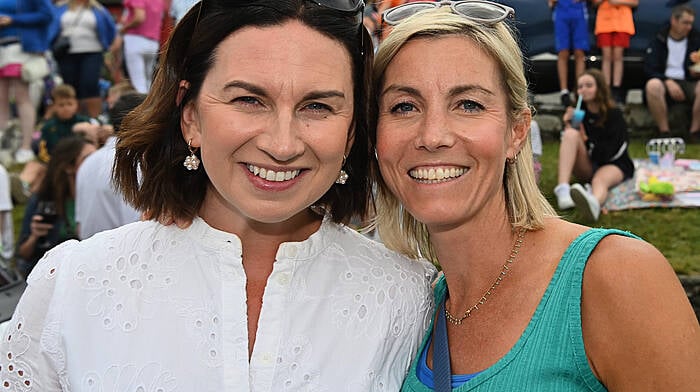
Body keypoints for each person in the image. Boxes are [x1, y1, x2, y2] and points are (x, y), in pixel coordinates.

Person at [0, 1, 436, 388]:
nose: (282, 144)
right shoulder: (75, 284)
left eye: (317, 106)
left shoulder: (407, 298)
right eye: (249, 99)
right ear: (189, 115)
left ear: (352, 132)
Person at [372, 2, 700, 390]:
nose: (432, 136)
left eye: (469, 104)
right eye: (404, 106)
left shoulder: (614, 278)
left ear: (517, 131)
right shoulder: (416, 309)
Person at [553, 68, 634, 221]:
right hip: (589, 164)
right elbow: (571, 145)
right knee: (570, 134)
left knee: (599, 180)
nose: (583, 89)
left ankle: (594, 204)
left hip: (613, 162)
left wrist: (585, 139)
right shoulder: (579, 113)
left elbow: (613, 150)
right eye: (580, 86)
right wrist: (569, 126)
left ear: (600, 88)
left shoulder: (614, 114)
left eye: (589, 85)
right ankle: (562, 189)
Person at [15, 135, 95, 278]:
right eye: (87, 158)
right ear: (68, 167)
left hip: (87, 275)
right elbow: (23, 254)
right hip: (51, 276)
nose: (94, 162)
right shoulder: (45, 199)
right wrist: (34, 237)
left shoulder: (98, 198)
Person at [75, 92, 144, 239]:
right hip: (120, 254)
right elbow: (137, 227)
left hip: (89, 252)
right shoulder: (134, 162)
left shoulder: (89, 162)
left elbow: (80, 224)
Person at [0, 0, 54, 164]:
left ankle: (25, 147)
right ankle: (4, 146)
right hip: (1, 48)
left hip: (21, 48)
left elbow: (47, 15)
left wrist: (13, 19)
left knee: (22, 96)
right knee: (1, 98)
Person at [48, 0, 117, 118]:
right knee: (71, 87)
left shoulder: (98, 9)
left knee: (90, 85)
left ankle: (95, 119)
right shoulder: (60, 7)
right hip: (66, 53)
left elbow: (111, 29)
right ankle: (76, 119)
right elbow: (51, 28)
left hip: (93, 51)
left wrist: (109, 47)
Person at [644, 2, 700, 143]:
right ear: (674, 20)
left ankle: (694, 132)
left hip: (688, 81)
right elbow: (650, 68)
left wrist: (696, 71)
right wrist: (667, 81)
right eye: (685, 22)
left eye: (691, 23)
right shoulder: (659, 40)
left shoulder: (695, 40)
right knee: (652, 85)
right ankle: (664, 132)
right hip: (664, 80)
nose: (689, 27)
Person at [592, 0, 638, 104]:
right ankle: (606, 89)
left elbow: (635, 3)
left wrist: (617, 2)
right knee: (606, 56)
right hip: (604, 22)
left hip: (622, 22)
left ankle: (616, 89)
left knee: (618, 56)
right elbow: (594, 3)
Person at [116, 0, 167, 93]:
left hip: (135, 39)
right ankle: (148, 105)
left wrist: (123, 29)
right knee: (148, 81)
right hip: (153, 42)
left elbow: (139, 17)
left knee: (138, 82)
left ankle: (141, 105)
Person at [548, 0, 590, 107]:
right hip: (562, 11)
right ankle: (564, 92)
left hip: (578, 10)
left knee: (579, 52)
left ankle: (579, 90)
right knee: (563, 52)